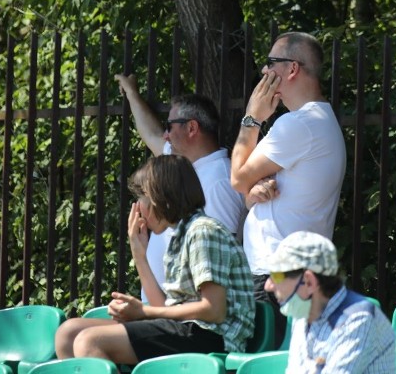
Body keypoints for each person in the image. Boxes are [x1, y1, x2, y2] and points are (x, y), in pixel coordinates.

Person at [55, 155, 255, 363]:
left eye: (141, 199)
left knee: (90, 341)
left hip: (213, 336)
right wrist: (139, 254)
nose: (138, 208)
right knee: (67, 334)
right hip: (187, 328)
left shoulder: (203, 231)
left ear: (159, 198)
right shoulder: (180, 236)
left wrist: (143, 311)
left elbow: (214, 310)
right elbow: (165, 309)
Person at [230, 32, 346, 333]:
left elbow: (237, 177)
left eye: (271, 64)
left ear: (292, 69)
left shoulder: (300, 124)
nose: (265, 72)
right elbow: (246, 189)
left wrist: (252, 118)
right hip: (287, 271)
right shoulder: (314, 121)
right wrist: (251, 192)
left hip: (278, 273)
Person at [114, 75, 246, 297]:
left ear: (192, 128)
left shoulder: (220, 181)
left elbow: (219, 264)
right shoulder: (182, 165)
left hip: (182, 316)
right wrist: (131, 93)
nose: (165, 135)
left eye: (170, 126)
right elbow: (151, 134)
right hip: (161, 309)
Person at [265, 231, 395, 373]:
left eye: (276, 276)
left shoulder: (358, 319)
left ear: (309, 282)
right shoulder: (302, 314)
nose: (268, 285)